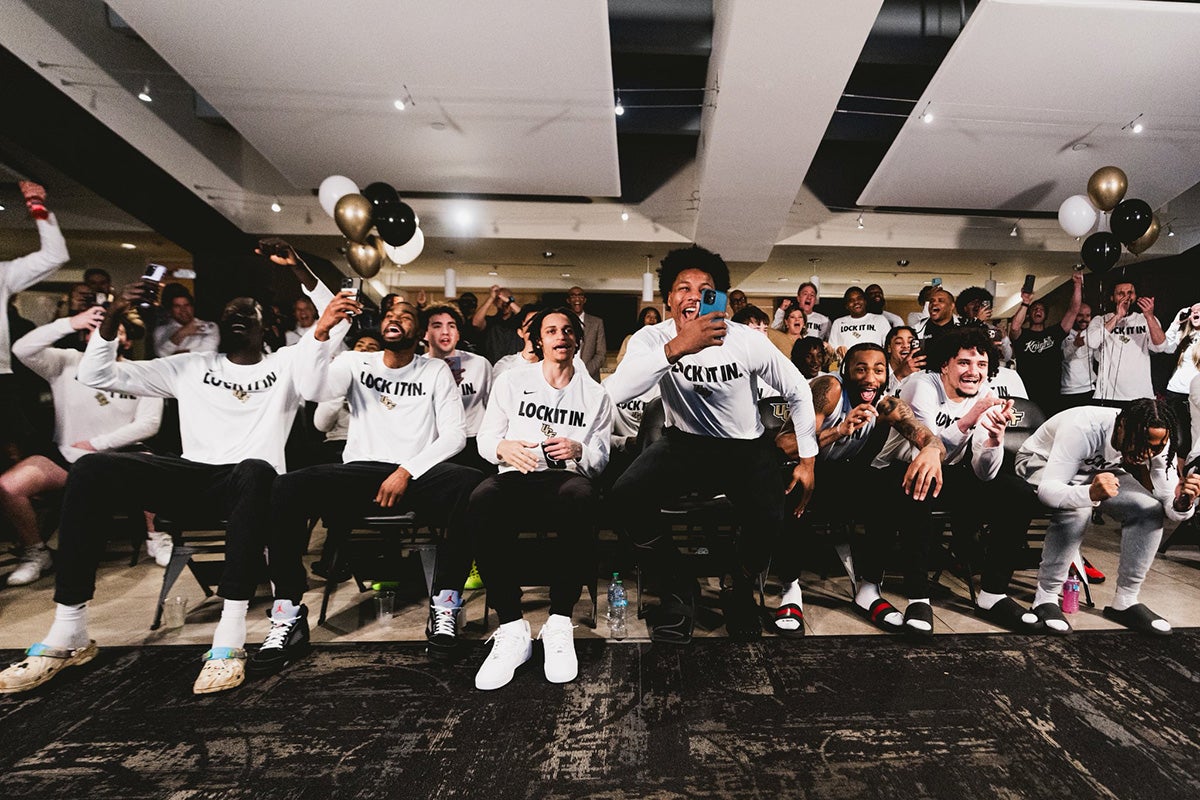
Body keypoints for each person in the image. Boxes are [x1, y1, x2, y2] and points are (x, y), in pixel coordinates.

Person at [0, 239, 338, 696]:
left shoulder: (287, 364)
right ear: (219, 323)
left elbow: (335, 320)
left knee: (255, 468)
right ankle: (69, 629)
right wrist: (117, 314)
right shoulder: (189, 366)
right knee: (92, 469)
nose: (238, 313)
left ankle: (229, 636)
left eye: (250, 309)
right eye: (230, 309)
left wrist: (299, 267)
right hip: (195, 476)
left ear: (266, 323)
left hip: (253, 482)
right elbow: (97, 375)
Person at [252, 298, 484, 676]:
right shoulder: (353, 363)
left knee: (472, 485)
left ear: (420, 333)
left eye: (406, 316)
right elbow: (312, 390)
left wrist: (407, 470)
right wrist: (322, 332)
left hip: (415, 474)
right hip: (360, 472)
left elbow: (455, 436)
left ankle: (445, 601)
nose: (395, 319)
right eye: (391, 316)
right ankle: (288, 613)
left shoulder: (435, 371)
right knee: (286, 487)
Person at [605, 245, 818, 643]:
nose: (693, 297)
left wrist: (808, 461)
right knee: (624, 497)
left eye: (706, 289)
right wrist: (677, 348)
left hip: (745, 447)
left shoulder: (746, 341)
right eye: (682, 288)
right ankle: (677, 581)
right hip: (684, 443)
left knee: (774, 512)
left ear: (718, 298)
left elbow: (798, 392)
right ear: (668, 298)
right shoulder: (651, 339)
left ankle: (738, 583)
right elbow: (615, 392)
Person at [468, 307, 612, 690]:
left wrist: (579, 450)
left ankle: (560, 622)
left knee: (582, 496)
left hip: (565, 481)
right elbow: (485, 439)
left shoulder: (596, 395)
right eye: (551, 330)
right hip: (517, 475)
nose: (561, 336)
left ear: (578, 340)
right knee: (481, 499)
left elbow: (600, 462)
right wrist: (503, 448)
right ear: (539, 339)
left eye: (568, 330)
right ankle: (513, 628)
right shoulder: (512, 382)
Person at [862, 327, 1030, 636]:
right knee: (922, 481)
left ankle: (992, 594)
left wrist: (994, 439)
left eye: (981, 365)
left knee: (1015, 492)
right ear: (945, 366)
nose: (974, 372)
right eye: (964, 363)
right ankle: (917, 596)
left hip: (945, 471)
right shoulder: (920, 385)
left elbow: (984, 473)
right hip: (892, 472)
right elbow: (927, 448)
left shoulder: (983, 395)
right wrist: (969, 419)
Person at [771, 343, 943, 637]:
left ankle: (869, 589)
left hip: (844, 477)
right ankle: (790, 590)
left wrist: (931, 451)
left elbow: (926, 436)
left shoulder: (887, 404)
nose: (870, 378)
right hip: (800, 469)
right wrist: (839, 431)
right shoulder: (830, 389)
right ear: (846, 371)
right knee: (797, 487)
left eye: (878, 370)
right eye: (861, 369)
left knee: (895, 485)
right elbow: (783, 446)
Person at [2, 308, 162, 585]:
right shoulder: (65, 363)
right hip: (68, 457)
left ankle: (158, 538)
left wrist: (96, 444)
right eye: (96, 330)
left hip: (120, 456)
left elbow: (149, 423)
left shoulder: (140, 371)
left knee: (152, 468)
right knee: (10, 485)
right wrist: (69, 322)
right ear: (87, 336)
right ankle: (36, 552)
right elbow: (21, 348)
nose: (106, 335)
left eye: (116, 331)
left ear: (124, 340)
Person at [1016, 400, 1200, 635]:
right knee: (1077, 508)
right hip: (1041, 461)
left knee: (1149, 509)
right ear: (1121, 426)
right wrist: (1088, 494)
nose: (1146, 453)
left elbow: (1169, 505)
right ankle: (1046, 597)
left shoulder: (1159, 439)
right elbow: (1050, 491)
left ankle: (1125, 601)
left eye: (1154, 448)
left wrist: (1183, 501)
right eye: (1141, 444)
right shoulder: (1083, 428)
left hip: (1097, 470)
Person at [1, 182, 70, 457]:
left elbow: (55, 256)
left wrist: (38, 210)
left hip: (1, 378)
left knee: (11, 457)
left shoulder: (2, 273)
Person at [421, 303, 493, 473]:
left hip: (473, 441)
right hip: (435, 441)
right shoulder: (419, 367)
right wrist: (445, 387)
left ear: (458, 334)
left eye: (451, 326)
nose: (445, 332)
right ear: (425, 334)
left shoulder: (479, 364)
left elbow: (493, 407)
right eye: (437, 326)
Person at [1009, 271, 1083, 415]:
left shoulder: (1054, 333)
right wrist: (1025, 302)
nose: (1038, 311)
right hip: (1026, 391)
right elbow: (1014, 327)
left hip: (1052, 393)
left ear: (1046, 314)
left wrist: (1077, 285)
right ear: (1029, 314)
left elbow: (1073, 310)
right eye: (1035, 309)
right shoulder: (1022, 335)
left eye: (1042, 309)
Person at [1086, 279, 1169, 408]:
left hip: (1141, 394)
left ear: (1135, 297)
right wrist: (1118, 317)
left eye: (1130, 293)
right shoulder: (1100, 320)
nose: (1126, 297)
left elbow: (1160, 347)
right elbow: (1092, 342)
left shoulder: (1145, 319)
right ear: (1112, 298)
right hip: (1108, 395)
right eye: (1121, 293)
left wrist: (1150, 317)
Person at [1163, 302, 1200, 464]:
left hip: (1196, 394)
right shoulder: (1185, 335)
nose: (1195, 313)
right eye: (1193, 311)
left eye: (1199, 310)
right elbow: (1166, 347)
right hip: (1176, 393)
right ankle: (1180, 480)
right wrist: (1176, 322)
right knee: (1178, 440)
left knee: (1196, 439)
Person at [152, 286, 218, 356]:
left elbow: (209, 351)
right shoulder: (161, 330)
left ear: (192, 307)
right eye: (177, 306)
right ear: (170, 310)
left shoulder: (210, 326)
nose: (183, 310)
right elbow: (162, 354)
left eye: (187, 305)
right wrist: (182, 332)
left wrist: (177, 354)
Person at [828, 286, 891, 356]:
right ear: (846, 305)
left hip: (873, 365)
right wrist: (838, 349)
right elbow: (831, 349)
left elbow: (889, 346)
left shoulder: (880, 320)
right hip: (847, 365)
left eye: (859, 298)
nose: (856, 302)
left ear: (865, 301)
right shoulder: (838, 323)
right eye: (851, 300)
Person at [473, 285, 524, 363]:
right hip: (494, 367)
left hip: (515, 367)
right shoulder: (490, 321)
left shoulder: (518, 322)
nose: (504, 303)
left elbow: (528, 319)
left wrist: (509, 301)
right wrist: (491, 298)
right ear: (495, 302)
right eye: (500, 299)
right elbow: (476, 323)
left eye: (507, 298)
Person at [565, 286, 607, 381]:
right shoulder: (561, 321)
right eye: (573, 296)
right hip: (565, 376)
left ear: (584, 300)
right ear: (568, 300)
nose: (577, 299)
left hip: (590, 377)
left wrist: (585, 372)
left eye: (580, 296)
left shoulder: (597, 322)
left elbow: (601, 353)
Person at [492, 305, 543, 379]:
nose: (535, 331)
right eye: (530, 326)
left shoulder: (555, 364)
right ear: (520, 332)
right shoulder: (506, 365)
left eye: (540, 326)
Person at [1060, 302, 1096, 409]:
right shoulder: (1064, 333)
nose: (1084, 319)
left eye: (1088, 315)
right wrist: (1075, 345)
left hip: (1090, 389)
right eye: (1080, 315)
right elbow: (1062, 356)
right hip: (1070, 390)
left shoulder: (1092, 334)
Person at [884, 325, 924, 394]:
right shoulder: (880, 372)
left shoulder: (922, 374)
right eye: (899, 342)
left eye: (911, 342)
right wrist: (899, 374)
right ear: (889, 348)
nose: (905, 346)